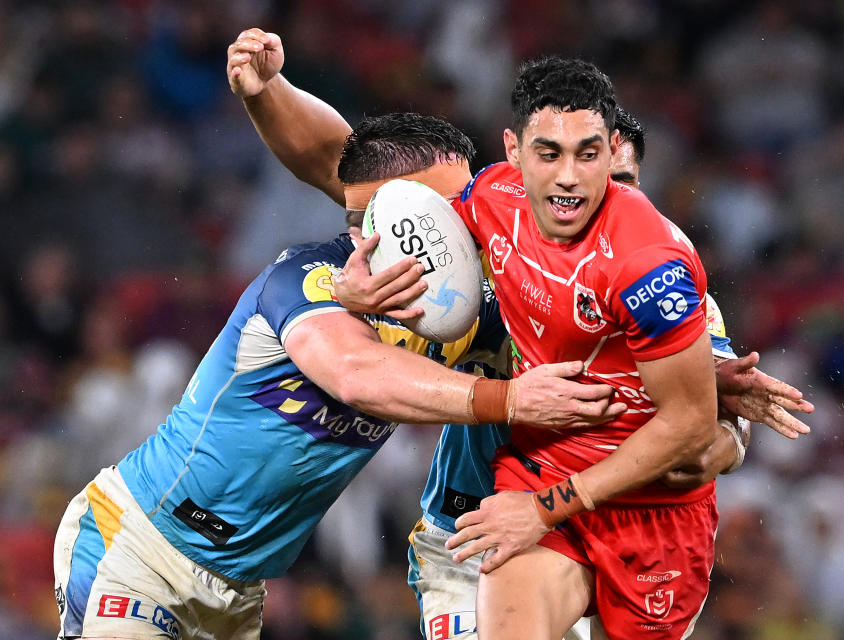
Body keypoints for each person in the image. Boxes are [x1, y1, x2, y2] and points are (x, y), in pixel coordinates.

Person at [226, 29, 814, 640]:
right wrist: (268, 91)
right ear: (516, 152)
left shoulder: (663, 281)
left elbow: (714, 443)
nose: (575, 185)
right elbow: (349, 167)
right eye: (552, 156)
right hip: (485, 520)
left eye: (611, 173)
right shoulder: (491, 215)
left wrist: (693, 427)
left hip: (639, 529)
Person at [51, 143, 629, 640]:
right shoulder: (307, 280)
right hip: (137, 545)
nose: (470, 226)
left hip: (238, 590)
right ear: (402, 211)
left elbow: (586, 344)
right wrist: (508, 399)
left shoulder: (458, 315)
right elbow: (357, 374)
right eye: (453, 208)